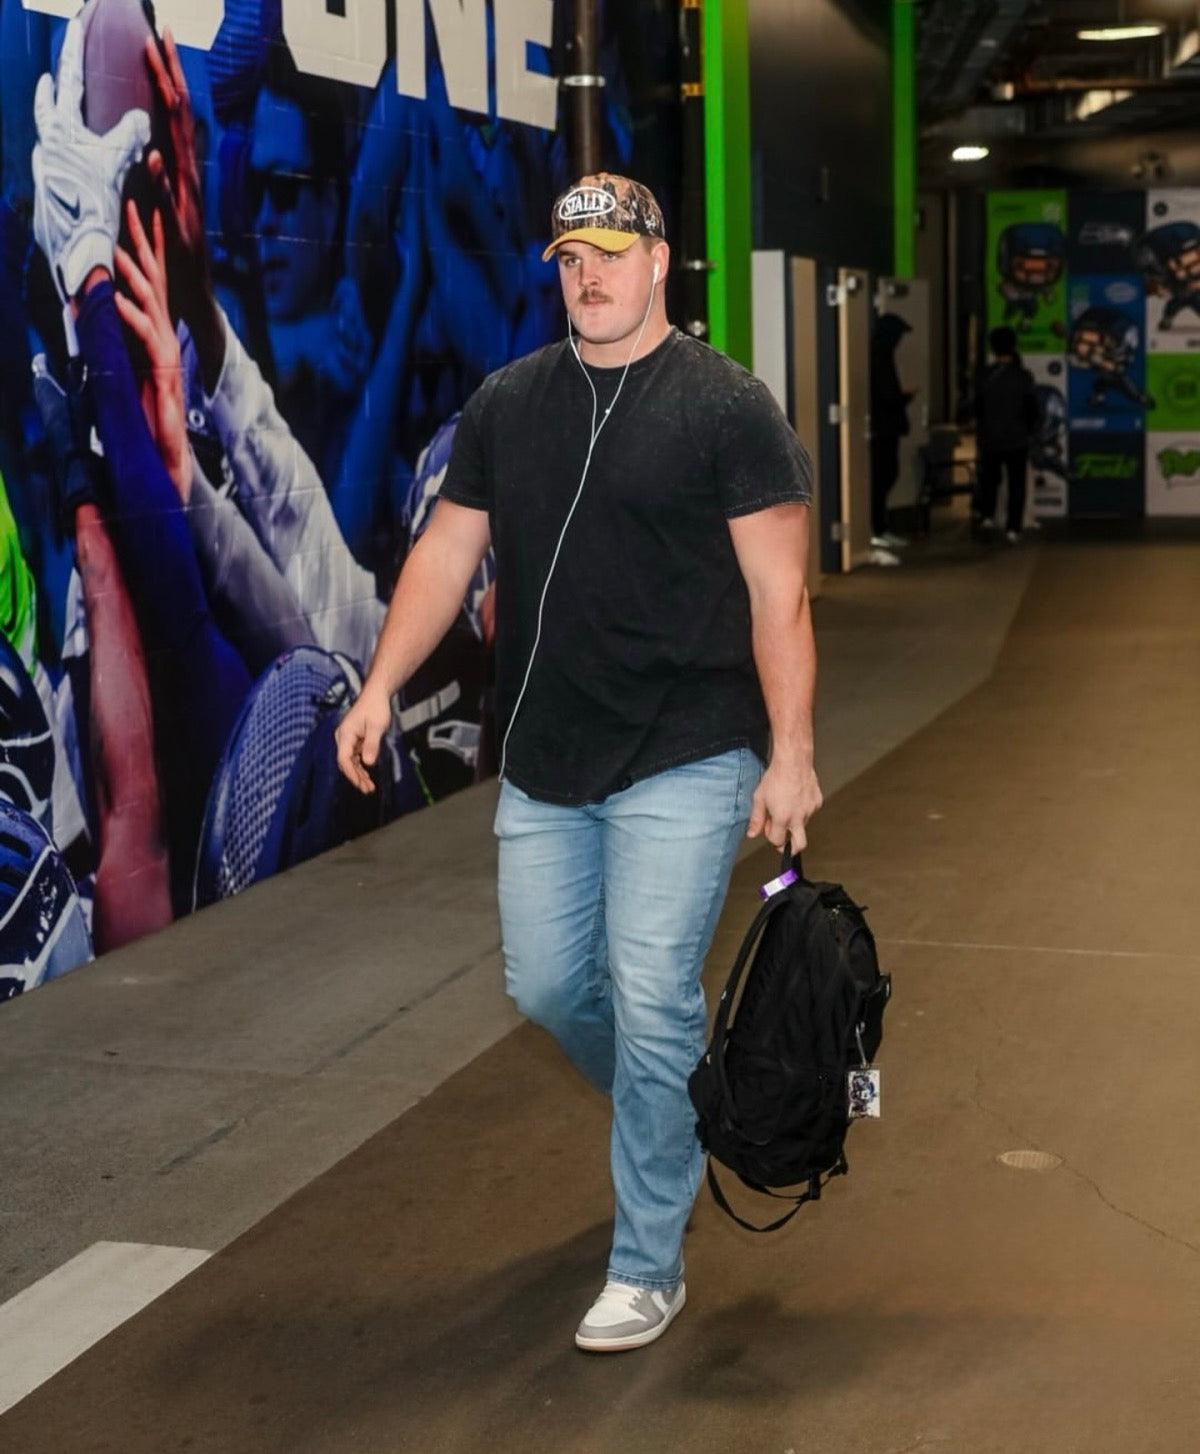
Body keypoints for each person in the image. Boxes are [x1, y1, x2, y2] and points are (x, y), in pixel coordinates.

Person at [335, 173, 822, 1354]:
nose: (589, 276)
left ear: (661, 262)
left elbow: (778, 593)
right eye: (570, 258)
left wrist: (793, 752)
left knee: (651, 994)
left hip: (688, 745)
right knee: (549, 987)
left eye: (611, 253)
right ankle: (684, 1098)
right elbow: (448, 555)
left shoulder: (728, 407)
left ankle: (647, 1260)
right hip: (548, 752)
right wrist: (382, 682)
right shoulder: (509, 403)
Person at [975, 325, 1039, 543]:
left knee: (989, 479)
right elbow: (1031, 408)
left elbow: (977, 407)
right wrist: (1030, 430)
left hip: (990, 436)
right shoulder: (1023, 376)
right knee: (1016, 483)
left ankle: (987, 515)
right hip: (1016, 437)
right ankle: (1013, 526)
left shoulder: (984, 375)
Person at [868, 312, 914, 565]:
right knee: (884, 475)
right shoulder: (881, 357)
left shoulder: (877, 354)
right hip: (884, 428)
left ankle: (879, 526)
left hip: (882, 427)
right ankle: (877, 527)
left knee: (884, 476)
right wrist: (904, 397)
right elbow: (887, 395)